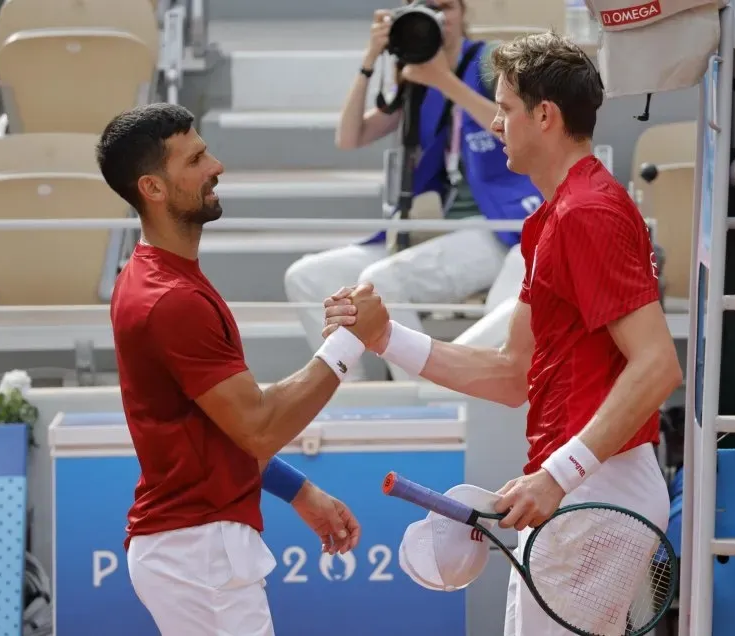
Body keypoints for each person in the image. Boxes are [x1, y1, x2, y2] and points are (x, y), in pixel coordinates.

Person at [322, 32, 683, 636]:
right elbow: (511, 374)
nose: (493, 122)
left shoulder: (586, 211)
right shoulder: (554, 218)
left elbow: (657, 367)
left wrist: (558, 475)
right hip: (588, 482)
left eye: (505, 108)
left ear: (545, 115)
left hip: (598, 486)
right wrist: (383, 338)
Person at [96, 103, 389, 636]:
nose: (217, 166)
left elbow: (224, 428)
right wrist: (350, 342)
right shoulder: (171, 299)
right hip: (198, 552)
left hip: (195, 550)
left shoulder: (159, 281)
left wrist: (299, 491)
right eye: (197, 158)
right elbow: (258, 426)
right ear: (153, 189)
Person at [284, 0, 543, 380]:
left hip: (501, 224)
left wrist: (444, 79)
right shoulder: (415, 75)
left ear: (463, 12)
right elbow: (349, 136)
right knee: (306, 277)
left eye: (446, 7)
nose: (438, 19)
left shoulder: (489, 61)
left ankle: (427, 398)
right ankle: (351, 394)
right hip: (437, 229)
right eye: (426, 8)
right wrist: (370, 59)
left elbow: (521, 130)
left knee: (383, 280)